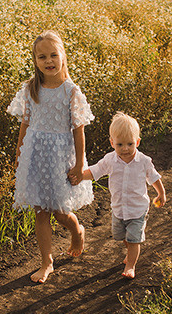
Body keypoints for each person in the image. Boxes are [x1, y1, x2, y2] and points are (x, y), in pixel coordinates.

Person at [8, 31, 93, 284]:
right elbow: (25, 124)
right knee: (40, 211)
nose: (49, 61)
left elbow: (79, 131)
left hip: (60, 157)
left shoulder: (71, 91)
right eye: (42, 56)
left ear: (63, 56)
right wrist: (20, 153)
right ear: (35, 60)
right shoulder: (30, 89)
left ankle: (76, 229)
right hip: (35, 155)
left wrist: (79, 164)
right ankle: (47, 262)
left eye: (54, 55)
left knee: (58, 210)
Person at [70, 112, 165, 279]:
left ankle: (130, 266)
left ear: (137, 142)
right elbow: (95, 171)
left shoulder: (144, 161)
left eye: (130, 144)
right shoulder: (110, 160)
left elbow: (154, 178)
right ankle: (129, 250)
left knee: (134, 239)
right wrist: (79, 176)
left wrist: (161, 193)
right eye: (120, 144)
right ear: (112, 143)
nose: (125, 149)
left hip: (138, 210)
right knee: (122, 236)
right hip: (119, 209)